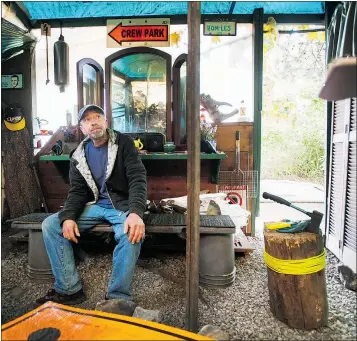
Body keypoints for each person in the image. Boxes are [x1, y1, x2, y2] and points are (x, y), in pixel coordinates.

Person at [36, 104, 147, 306]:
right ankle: (69, 290)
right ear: (82, 128)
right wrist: (68, 216)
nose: (93, 122)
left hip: (121, 206)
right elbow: (77, 192)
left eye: (97, 116)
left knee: (130, 232)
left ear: (106, 122)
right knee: (51, 224)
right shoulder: (78, 155)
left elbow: (137, 179)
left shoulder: (124, 144)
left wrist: (136, 213)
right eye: (87, 120)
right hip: (95, 205)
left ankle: (118, 297)